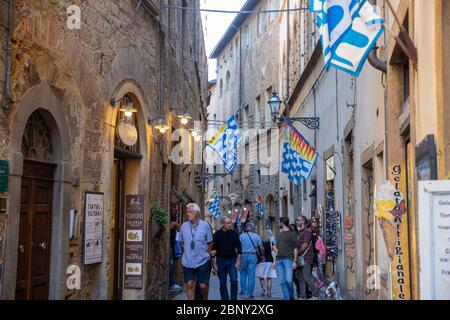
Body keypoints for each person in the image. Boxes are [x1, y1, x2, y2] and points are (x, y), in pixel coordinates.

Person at [179, 203, 213, 300]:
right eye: (187, 212)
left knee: (203, 286)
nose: (188, 214)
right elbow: (180, 241)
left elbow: (210, 242)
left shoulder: (205, 226)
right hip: (187, 261)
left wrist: (208, 255)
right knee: (189, 284)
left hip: (202, 260)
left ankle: (205, 298)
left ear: (197, 213)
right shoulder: (184, 226)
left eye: (190, 212)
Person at [211, 216, 242, 300]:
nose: (230, 224)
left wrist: (238, 261)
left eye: (230, 222)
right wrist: (214, 265)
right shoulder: (217, 235)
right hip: (220, 261)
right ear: (223, 224)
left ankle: (233, 299)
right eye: (228, 223)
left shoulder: (234, 233)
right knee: (222, 283)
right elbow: (213, 250)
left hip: (232, 261)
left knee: (234, 281)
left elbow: (239, 248)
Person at [272, 217, 298, 300]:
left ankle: (291, 295)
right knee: (282, 281)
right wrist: (274, 261)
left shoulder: (292, 233)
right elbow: (277, 249)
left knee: (289, 280)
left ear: (282, 223)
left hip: (288, 260)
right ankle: (286, 298)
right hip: (279, 260)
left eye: (279, 222)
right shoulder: (280, 235)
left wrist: (294, 261)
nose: (278, 224)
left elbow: (295, 248)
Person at [239, 223, 265, 299]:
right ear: (253, 228)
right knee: (251, 275)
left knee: (243, 273)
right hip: (253, 255)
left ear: (246, 228)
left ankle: (243, 290)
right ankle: (249, 293)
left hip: (243, 255)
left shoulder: (241, 236)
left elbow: (237, 247)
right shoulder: (256, 236)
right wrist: (263, 255)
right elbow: (262, 247)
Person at [297, 216, 320, 300]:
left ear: (303, 221)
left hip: (306, 257)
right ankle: (302, 296)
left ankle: (316, 295)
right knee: (300, 277)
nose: (297, 221)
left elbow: (305, 244)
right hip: (300, 258)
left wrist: (298, 252)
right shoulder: (300, 232)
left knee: (307, 276)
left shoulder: (307, 231)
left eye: (298, 220)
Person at [255, 229, 277, 298]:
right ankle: (269, 292)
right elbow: (276, 250)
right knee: (269, 277)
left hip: (261, 261)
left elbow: (257, 251)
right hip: (269, 260)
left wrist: (261, 256)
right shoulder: (270, 242)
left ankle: (263, 289)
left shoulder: (259, 242)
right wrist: (274, 260)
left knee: (261, 277)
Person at [169, 206, 182, 292]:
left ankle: (173, 282)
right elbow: (169, 226)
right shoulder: (170, 218)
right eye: (174, 208)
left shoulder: (175, 217)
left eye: (177, 208)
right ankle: (171, 283)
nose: (176, 210)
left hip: (173, 244)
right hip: (170, 245)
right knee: (170, 264)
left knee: (173, 264)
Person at [311, 219, 327, 288]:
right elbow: (323, 248)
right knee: (318, 269)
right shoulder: (319, 237)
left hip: (316, 255)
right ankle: (320, 282)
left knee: (313, 270)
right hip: (320, 254)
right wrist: (324, 257)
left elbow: (322, 248)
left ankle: (319, 282)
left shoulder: (313, 237)